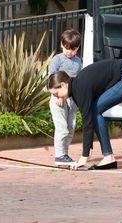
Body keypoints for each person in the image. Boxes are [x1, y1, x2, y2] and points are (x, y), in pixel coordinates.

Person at [48, 29, 81, 165]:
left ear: (78, 48)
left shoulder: (78, 61)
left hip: (71, 100)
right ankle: (59, 154)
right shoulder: (57, 60)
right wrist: (59, 96)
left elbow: (76, 80)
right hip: (58, 99)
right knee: (62, 128)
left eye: (73, 49)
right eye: (67, 48)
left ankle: (64, 154)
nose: (69, 52)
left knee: (71, 127)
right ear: (61, 45)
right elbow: (51, 81)